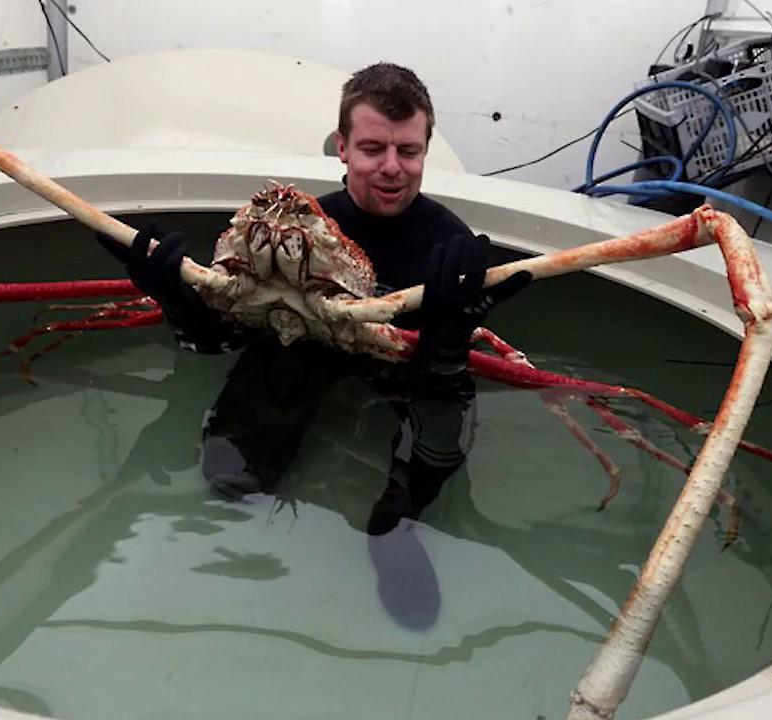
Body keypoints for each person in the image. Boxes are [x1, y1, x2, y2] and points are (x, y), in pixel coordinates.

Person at [98, 62, 531, 628]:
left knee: (436, 427)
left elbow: (441, 376)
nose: (392, 167)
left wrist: (449, 334)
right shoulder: (301, 226)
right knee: (228, 473)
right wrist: (175, 297)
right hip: (304, 345)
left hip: (403, 367)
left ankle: (398, 524)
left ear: (425, 150)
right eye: (373, 148)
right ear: (342, 147)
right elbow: (226, 336)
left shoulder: (445, 245)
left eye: (408, 151)